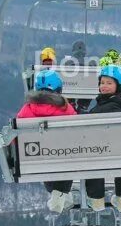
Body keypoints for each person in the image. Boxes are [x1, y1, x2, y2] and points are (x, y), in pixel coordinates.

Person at [17, 70, 77, 213]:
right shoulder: (65, 108)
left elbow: (16, 133)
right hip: (64, 154)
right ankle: (62, 194)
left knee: (45, 164)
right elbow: (76, 131)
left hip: (36, 156)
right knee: (67, 160)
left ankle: (61, 195)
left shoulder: (27, 109)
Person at [85, 64, 121, 213]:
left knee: (92, 159)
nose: (104, 86)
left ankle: (96, 200)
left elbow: (97, 116)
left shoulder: (111, 105)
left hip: (104, 148)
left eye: (109, 83)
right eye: (102, 83)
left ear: (118, 86)